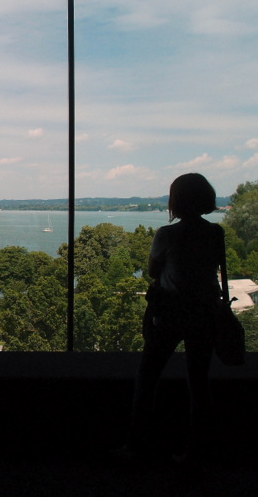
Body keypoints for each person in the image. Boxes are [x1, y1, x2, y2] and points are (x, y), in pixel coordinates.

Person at [126, 173, 223, 464]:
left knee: (147, 379)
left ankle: (138, 447)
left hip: (171, 312)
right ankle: (198, 451)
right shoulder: (215, 232)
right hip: (205, 312)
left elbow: (154, 273)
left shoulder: (166, 235)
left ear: (176, 201)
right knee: (199, 383)